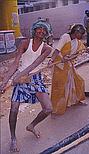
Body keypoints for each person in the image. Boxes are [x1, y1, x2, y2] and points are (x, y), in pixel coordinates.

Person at [0, 21, 53, 152]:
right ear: (34, 30)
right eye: (38, 29)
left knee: (48, 109)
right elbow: (16, 63)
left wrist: (18, 78)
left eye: (44, 30)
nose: (41, 31)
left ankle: (31, 125)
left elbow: (34, 65)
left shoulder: (47, 49)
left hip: (34, 78)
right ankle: (13, 138)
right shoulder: (25, 43)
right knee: (14, 109)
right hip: (20, 77)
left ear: (46, 33)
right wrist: (5, 81)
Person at [48, 24, 86, 115]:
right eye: (81, 34)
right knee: (59, 87)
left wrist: (71, 57)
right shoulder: (65, 37)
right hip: (60, 66)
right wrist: (52, 60)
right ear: (76, 32)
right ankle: (55, 108)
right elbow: (57, 50)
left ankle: (75, 100)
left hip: (68, 65)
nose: (82, 36)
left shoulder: (77, 41)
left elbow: (78, 51)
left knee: (78, 81)